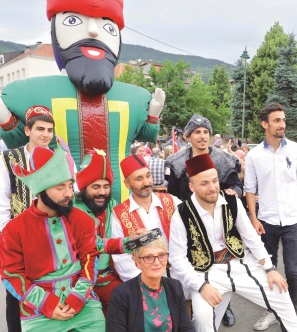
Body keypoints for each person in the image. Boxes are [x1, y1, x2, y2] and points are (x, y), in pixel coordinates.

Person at [0, 0, 165, 204]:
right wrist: (6, 120)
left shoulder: (135, 98)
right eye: (74, 21)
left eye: (106, 25)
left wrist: (153, 116)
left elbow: (144, 134)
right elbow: (22, 143)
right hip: (62, 202)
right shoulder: (27, 93)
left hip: (119, 201)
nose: (94, 32)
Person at [169, 154, 297, 332]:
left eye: (215, 181)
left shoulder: (232, 201)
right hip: (206, 274)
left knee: (281, 293)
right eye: (204, 183)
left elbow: (251, 238)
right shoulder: (181, 214)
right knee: (202, 318)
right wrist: (201, 286)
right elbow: (177, 259)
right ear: (191, 187)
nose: (212, 188)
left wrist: (270, 269)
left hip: (240, 264)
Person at [0, 142, 105, 331]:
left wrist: (78, 297)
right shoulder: (13, 230)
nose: (68, 194)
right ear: (40, 191)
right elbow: (11, 275)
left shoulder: (81, 219)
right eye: (60, 187)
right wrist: (47, 304)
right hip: (38, 310)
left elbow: (90, 257)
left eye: (70, 186)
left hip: (84, 303)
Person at [163, 114, 241, 326]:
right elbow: (170, 195)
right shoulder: (176, 163)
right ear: (188, 136)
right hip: (186, 224)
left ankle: (224, 307)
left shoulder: (224, 160)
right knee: (188, 267)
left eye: (206, 131)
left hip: (217, 223)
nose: (202, 136)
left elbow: (236, 186)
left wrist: (232, 192)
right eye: (197, 132)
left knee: (220, 268)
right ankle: (187, 311)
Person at [244, 103, 297, 330]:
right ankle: (272, 310)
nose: (282, 124)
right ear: (265, 124)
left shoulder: (296, 150)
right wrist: (254, 219)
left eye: (283, 120)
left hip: (293, 220)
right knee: (269, 268)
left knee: (292, 271)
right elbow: (250, 190)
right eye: (276, 120)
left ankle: (290, 314)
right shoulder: (254, 155)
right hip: (266, 222)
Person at [110, 154, 181, 283]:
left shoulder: (171, 202)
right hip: (145, 284)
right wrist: (148, 283)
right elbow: (121, 259)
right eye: (139, 178)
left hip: (179, 275)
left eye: (148, 176)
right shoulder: (119, 214)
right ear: (127, 184)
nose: (146, 182)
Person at [73, 149, 126, 315]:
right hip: (77, 280)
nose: (102, 192)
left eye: (106, 186)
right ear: (84, 188)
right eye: (95, 187)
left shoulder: (113, 206)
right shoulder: (71, 210)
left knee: (128, 306)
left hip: (108, 277)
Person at [106, 236, 194, 331]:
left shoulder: (175, 287)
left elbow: (186, 328)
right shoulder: (121, 294)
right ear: (137, 262)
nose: (157, 262)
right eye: (148, 257)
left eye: (161, 255)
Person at [0, 106, 55, 233]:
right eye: (40, 129)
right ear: (27, 131)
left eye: (50, 130)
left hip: (56, 228)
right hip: (22, 228)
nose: (46, 134)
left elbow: (72, 192)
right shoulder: (9, 158)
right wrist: (6, 229)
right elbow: (2, 196)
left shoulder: (61, 157)